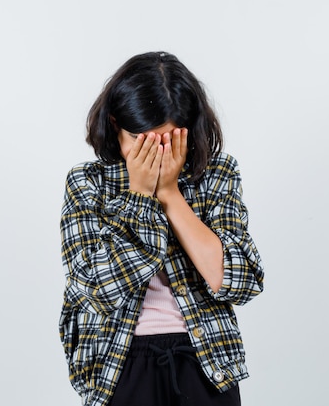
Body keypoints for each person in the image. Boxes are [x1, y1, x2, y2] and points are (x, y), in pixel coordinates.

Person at [59, 52, 264, 406]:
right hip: (116, 362)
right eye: (144, 141)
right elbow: (93, 290)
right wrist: (140, 194)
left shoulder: (216, 175)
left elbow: (239, 281)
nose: (156, 152)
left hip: (206, 359)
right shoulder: (88, 183)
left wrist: (168, 193)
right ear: (116, 125)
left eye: (169, 140)